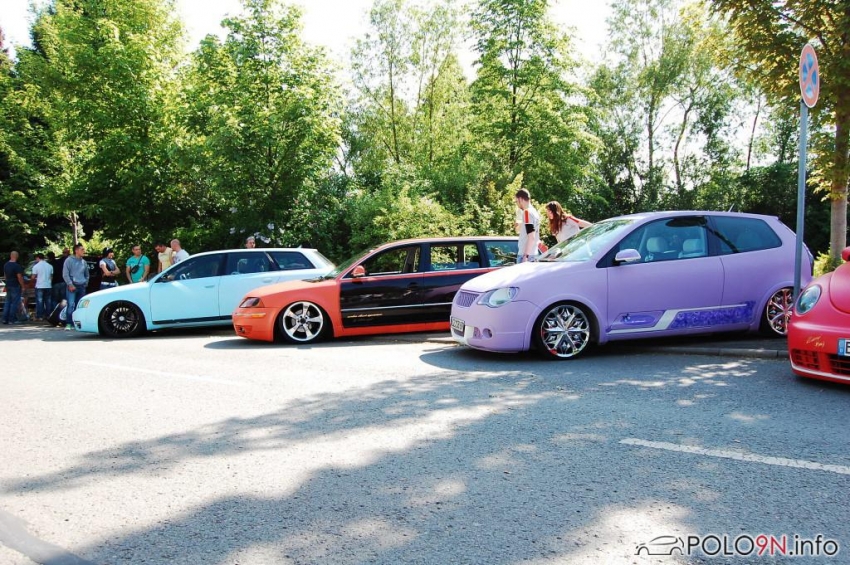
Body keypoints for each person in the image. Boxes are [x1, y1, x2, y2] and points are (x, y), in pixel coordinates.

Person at [62, 243, 89, 330]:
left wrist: (86, 282)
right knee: (70, 305)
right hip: (72, 285)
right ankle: (69, 323)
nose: (84, 251)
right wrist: (70, 284)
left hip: (82, 286)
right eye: (82, 249)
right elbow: (65, 274)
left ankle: (77, 323)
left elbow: (87, 274)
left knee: (80, 306)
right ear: (76, 251)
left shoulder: (84, 262)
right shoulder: (69, 260)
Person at [514, 189, 541, 263]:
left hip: (526, 255)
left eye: (516, 201)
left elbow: (531, 236)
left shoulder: (526, 212)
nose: (517, 204)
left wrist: (525, 256)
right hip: (534, 253)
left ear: (520, 199)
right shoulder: (535, 212)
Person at [2, 251, 26, 325]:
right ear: (17, 256)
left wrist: (6, 284)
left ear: (10, 256)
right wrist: (23, 286)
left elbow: (5, 276)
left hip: (8, 285)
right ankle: (11, 319)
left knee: (7, 302)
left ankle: (4, 319)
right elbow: (19, 277)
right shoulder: (17, 266)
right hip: (15, 285)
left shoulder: (6, 265)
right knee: (14, 303)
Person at [31, 252, 54, 320]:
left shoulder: (36, 266)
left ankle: (40, 316)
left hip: (39, 286)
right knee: (48, 301)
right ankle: (48, 315)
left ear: (38, 258)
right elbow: (51, 277)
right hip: (48, 285)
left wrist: (34, 278)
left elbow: (33, 277)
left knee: (40, 301)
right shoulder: (50, 266)